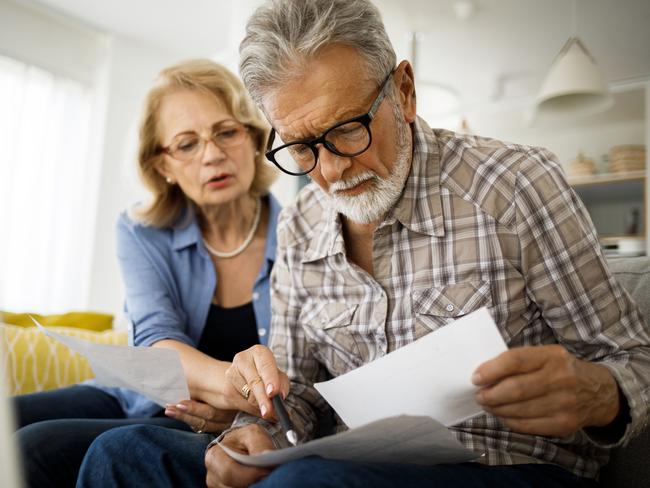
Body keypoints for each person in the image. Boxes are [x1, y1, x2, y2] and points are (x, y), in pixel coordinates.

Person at [76, 1, 650, 487]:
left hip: (507, 465)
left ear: (403, 91)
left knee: (305, 482)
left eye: (348, 128)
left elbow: (634, 359)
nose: (329, 171)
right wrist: (254, 432)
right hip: (349, 464)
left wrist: (599, 393)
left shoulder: (515, 185)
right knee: (118, 456)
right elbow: (297, 398)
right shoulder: (301, 226)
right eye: (301, 148)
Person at [12, 58, 284, 488]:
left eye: (226, 132)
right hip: (135, 395)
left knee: (32, 450)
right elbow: (157, 339)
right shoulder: (140, 231)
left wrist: (236, 408)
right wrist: (236, 389)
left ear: (253, 138)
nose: (212, 154)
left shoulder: (298, 237)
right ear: (164, 166)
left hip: (200, 419)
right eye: (187, 144)